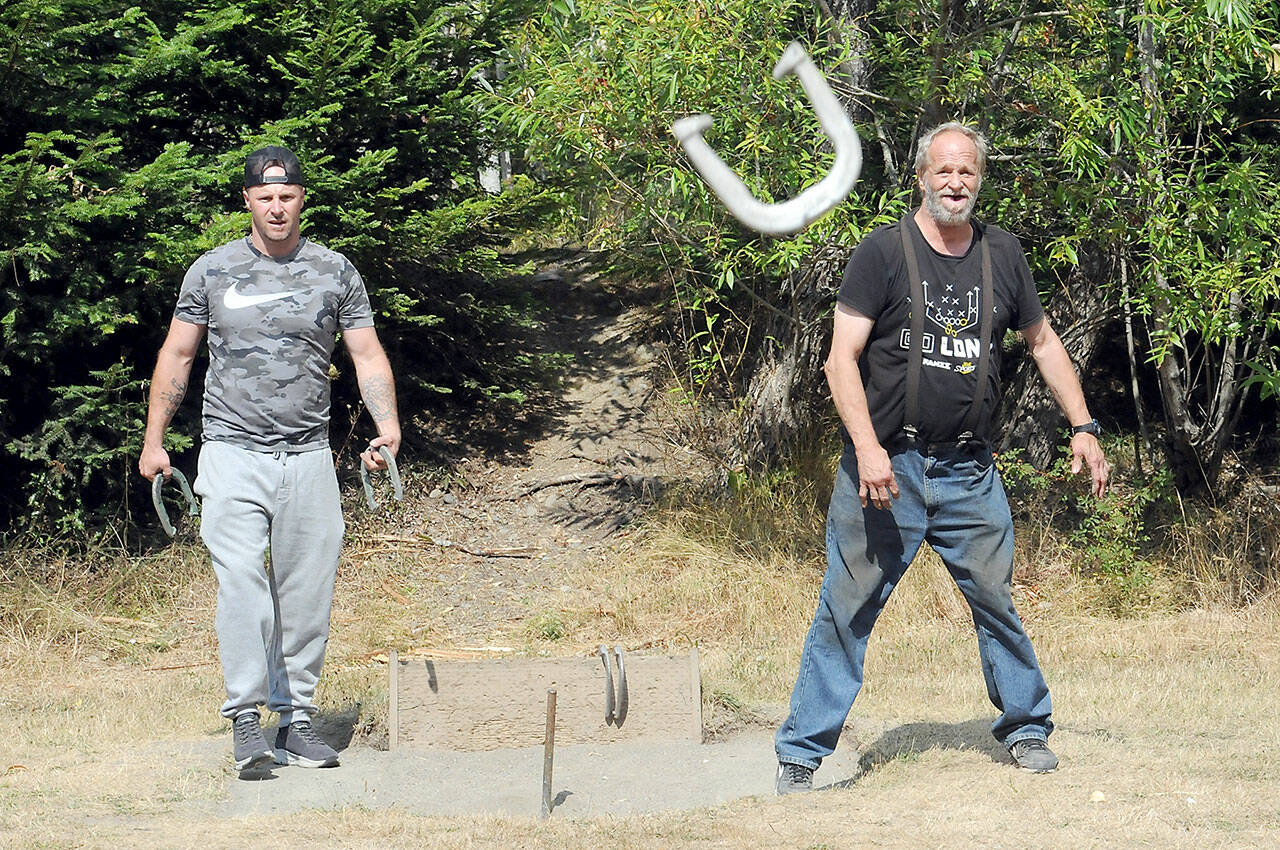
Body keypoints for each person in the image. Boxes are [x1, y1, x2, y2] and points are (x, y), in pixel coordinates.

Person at [774, 122, 1109, 794]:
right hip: (885, 472)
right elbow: (840, 359)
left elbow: (1042, 344)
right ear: (921, 176)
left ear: (978, 180)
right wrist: (868, 449)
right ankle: (802, 755)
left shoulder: (1003, 254)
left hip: (969, 472)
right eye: (943, 171)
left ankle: (1025, 729)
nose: (955, 183)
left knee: (995, 601)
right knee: (846, 607)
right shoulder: (883, 253)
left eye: (966, 172)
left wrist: (1083, 424)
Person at [138, 146, 401, 772]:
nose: (276, 207)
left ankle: (298, 719)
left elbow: (366, 355)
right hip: (230, 452)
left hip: (307, 455)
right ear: (249, 201)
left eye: (287, 197)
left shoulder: (335, 272)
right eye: (265, 197)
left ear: (301, 199)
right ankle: (245, 721)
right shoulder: (213, 270)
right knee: (243, 588)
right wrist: (154, 440)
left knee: (306, 591)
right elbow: (177, 357)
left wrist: (387, 427)